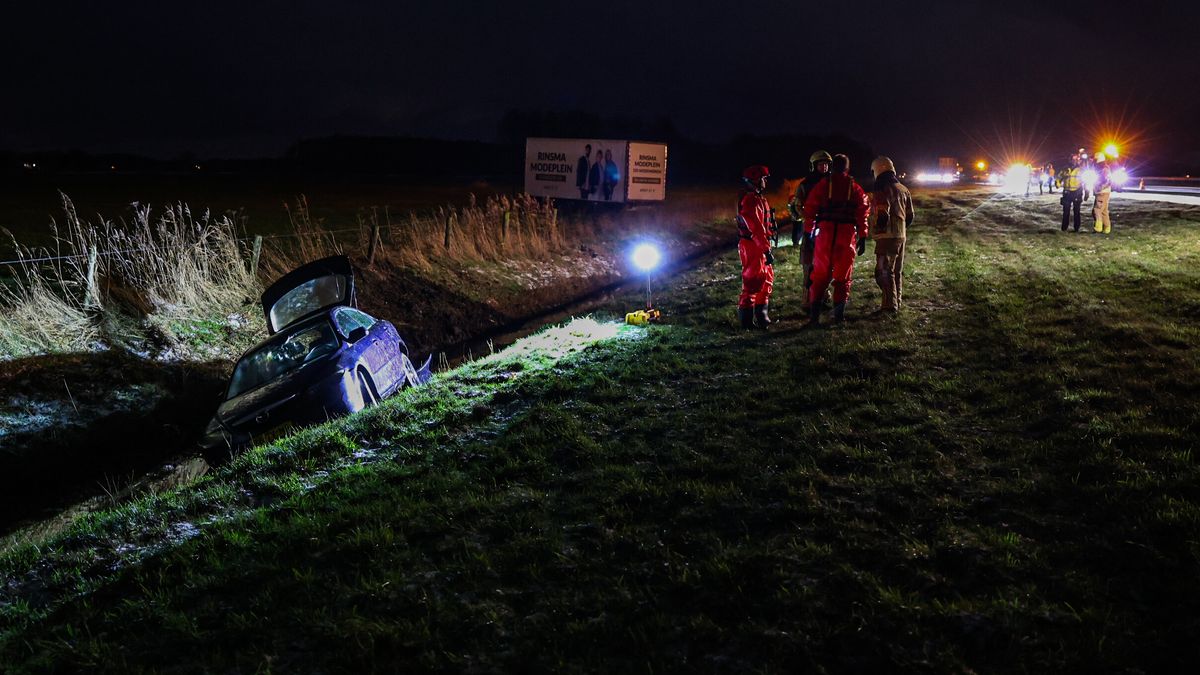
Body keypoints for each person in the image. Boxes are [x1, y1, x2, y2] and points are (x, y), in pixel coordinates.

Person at [802, 154, 870, 325]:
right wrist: (863, 236)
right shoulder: (855, 188)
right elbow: (863, 213)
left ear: (832, 167)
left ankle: (814, 318)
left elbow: (809, 209)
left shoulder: (823, 185)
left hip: (824, 235)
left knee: (819, 276)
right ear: (847, 168)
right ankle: (838, 317)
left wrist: (808, 233)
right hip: (846, 237)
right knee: (842, 277)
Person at [787, 150, 833, 312]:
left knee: (828, 266)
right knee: (809, 265)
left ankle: (824, 296)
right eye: (821, 164)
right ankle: (808, 299)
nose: (824, 167)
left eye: (826, 164)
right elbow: (797, 207)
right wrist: (808, 218)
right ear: (814, 166)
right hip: (811, 230)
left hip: (829, 229)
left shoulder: (833, 183)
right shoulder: (805, 185)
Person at [868, 156, 914, 316]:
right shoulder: (903, 188)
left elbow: (882, 214)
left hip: (886, 237)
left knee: (883, 272)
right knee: (897, 271)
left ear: (878, 169)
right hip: (901, 235)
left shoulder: (881, 187)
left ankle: (888, 306)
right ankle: (897, 302)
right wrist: (900, 230)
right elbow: (910, 216)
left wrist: (879, 229)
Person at [736, 165, 775, 329]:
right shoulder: (751, 201)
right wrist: (766, 249)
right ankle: (746, 322)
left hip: (759, 244)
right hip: (752, 246)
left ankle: (762, 316)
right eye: (764, 179)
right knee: (753, 281)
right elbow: (756, 228)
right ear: (756, 181)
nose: (766, 182)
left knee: (765, 281)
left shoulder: (758, 199)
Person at [1060, 155, 1084, 232]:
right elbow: (1059, 177)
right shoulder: (1065, 169)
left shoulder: (1081, 170)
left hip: (1077, 192)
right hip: (1067, 192)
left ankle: (1076, 228)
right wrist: (1057, 182)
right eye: (1072, 159)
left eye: (1075, 159)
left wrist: (1086, 192)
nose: (1073, 161)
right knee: (1066, 211)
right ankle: (1064, 228)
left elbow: (1085, 181)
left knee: (1076, 211)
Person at [1092, 155, 1113, 234]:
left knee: (1097, 210)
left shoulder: (1104, 169)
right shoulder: (1104, 168)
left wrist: (1099, 188)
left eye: (1095, 160)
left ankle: (1098, 227)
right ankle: (1107, 228)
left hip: (1102, 192)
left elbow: (1107, 181)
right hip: (1104, 192)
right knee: (1104, 211)